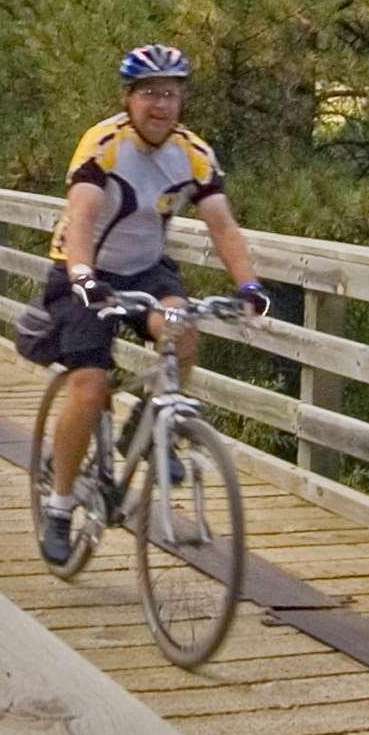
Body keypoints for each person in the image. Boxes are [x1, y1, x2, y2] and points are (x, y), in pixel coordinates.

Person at [33, 44, 269, 566]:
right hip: (83, 265)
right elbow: (82, 218)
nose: (161, 105)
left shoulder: (193, 153)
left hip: (145, 268)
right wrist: (83, 278)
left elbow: (222, 224)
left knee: (182, 331)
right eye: (149, 94)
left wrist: (249, 285)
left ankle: (149, 422)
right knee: (90, 385)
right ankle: (59, 503)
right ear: (129, 99)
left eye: (171, 94)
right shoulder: (104, 145)